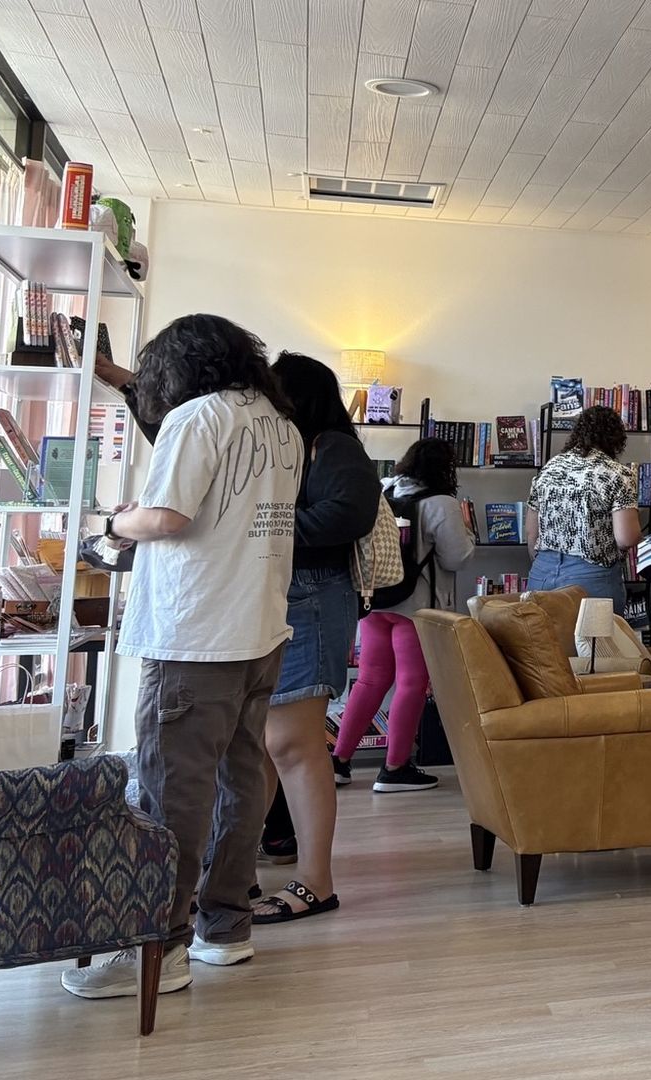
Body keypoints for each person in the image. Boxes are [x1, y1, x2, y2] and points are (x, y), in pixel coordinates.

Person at [62, 315, 303, 1001]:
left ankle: (156, 947)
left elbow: (168, 518)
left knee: (172, 789)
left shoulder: (197, 418)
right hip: (259, 625)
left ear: (181, 367)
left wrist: (112, 522)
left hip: (195, 633)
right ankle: (224, 928)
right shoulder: (277, 423)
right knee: (239, 780)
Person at [251, 352, 381, 924]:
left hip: (313, 596)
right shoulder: (294, 446)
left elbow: (348, 514)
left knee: (292, 743)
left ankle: (315, 881)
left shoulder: (332, 446)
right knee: (263, 743)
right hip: (286, 596)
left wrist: (263, 527)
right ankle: (239, 871)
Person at [332, 437, 476, 793]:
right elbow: (456, 557)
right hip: (417, 606)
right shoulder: (442, 503)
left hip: (376, 598)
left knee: (369, 680)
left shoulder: (382, 488)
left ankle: (338, 760)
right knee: (412, 682)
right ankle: (395, 768)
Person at [527, 404, 639, 613]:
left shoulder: (550, 468)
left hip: (542, 572)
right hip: (591, 577)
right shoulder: (616, 474)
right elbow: (626, 538)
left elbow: (531, 532)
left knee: (544, 644)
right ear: (616, 439)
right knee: (593, 645)